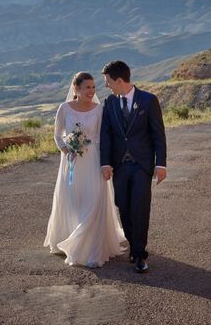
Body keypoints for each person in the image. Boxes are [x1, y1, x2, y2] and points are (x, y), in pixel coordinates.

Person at [44, 72, 126, 267]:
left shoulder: (100, 110)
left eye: (93, 87)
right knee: (75, 202)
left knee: (94, 202)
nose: (91, 91)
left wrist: (108, 163)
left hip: (94, 161)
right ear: (76, 89)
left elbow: (105, 138)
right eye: (87, 87)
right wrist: (66, 149)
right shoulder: (64, 109)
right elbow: (57, 135)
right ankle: (71, 238)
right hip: (72, 162)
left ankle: (90, 249)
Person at [100, 60, 167, 273]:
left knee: (140, 207)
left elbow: (158, 134)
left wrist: (161, 164)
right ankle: (132, 243)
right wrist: (106, 163)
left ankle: (139, 253)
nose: (107, 85)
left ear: (119, 80)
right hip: (120, 165)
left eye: (108, 81)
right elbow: (106, 135)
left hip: (142, 165)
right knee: (123, 206)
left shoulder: (148, 100)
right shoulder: (109, 102)